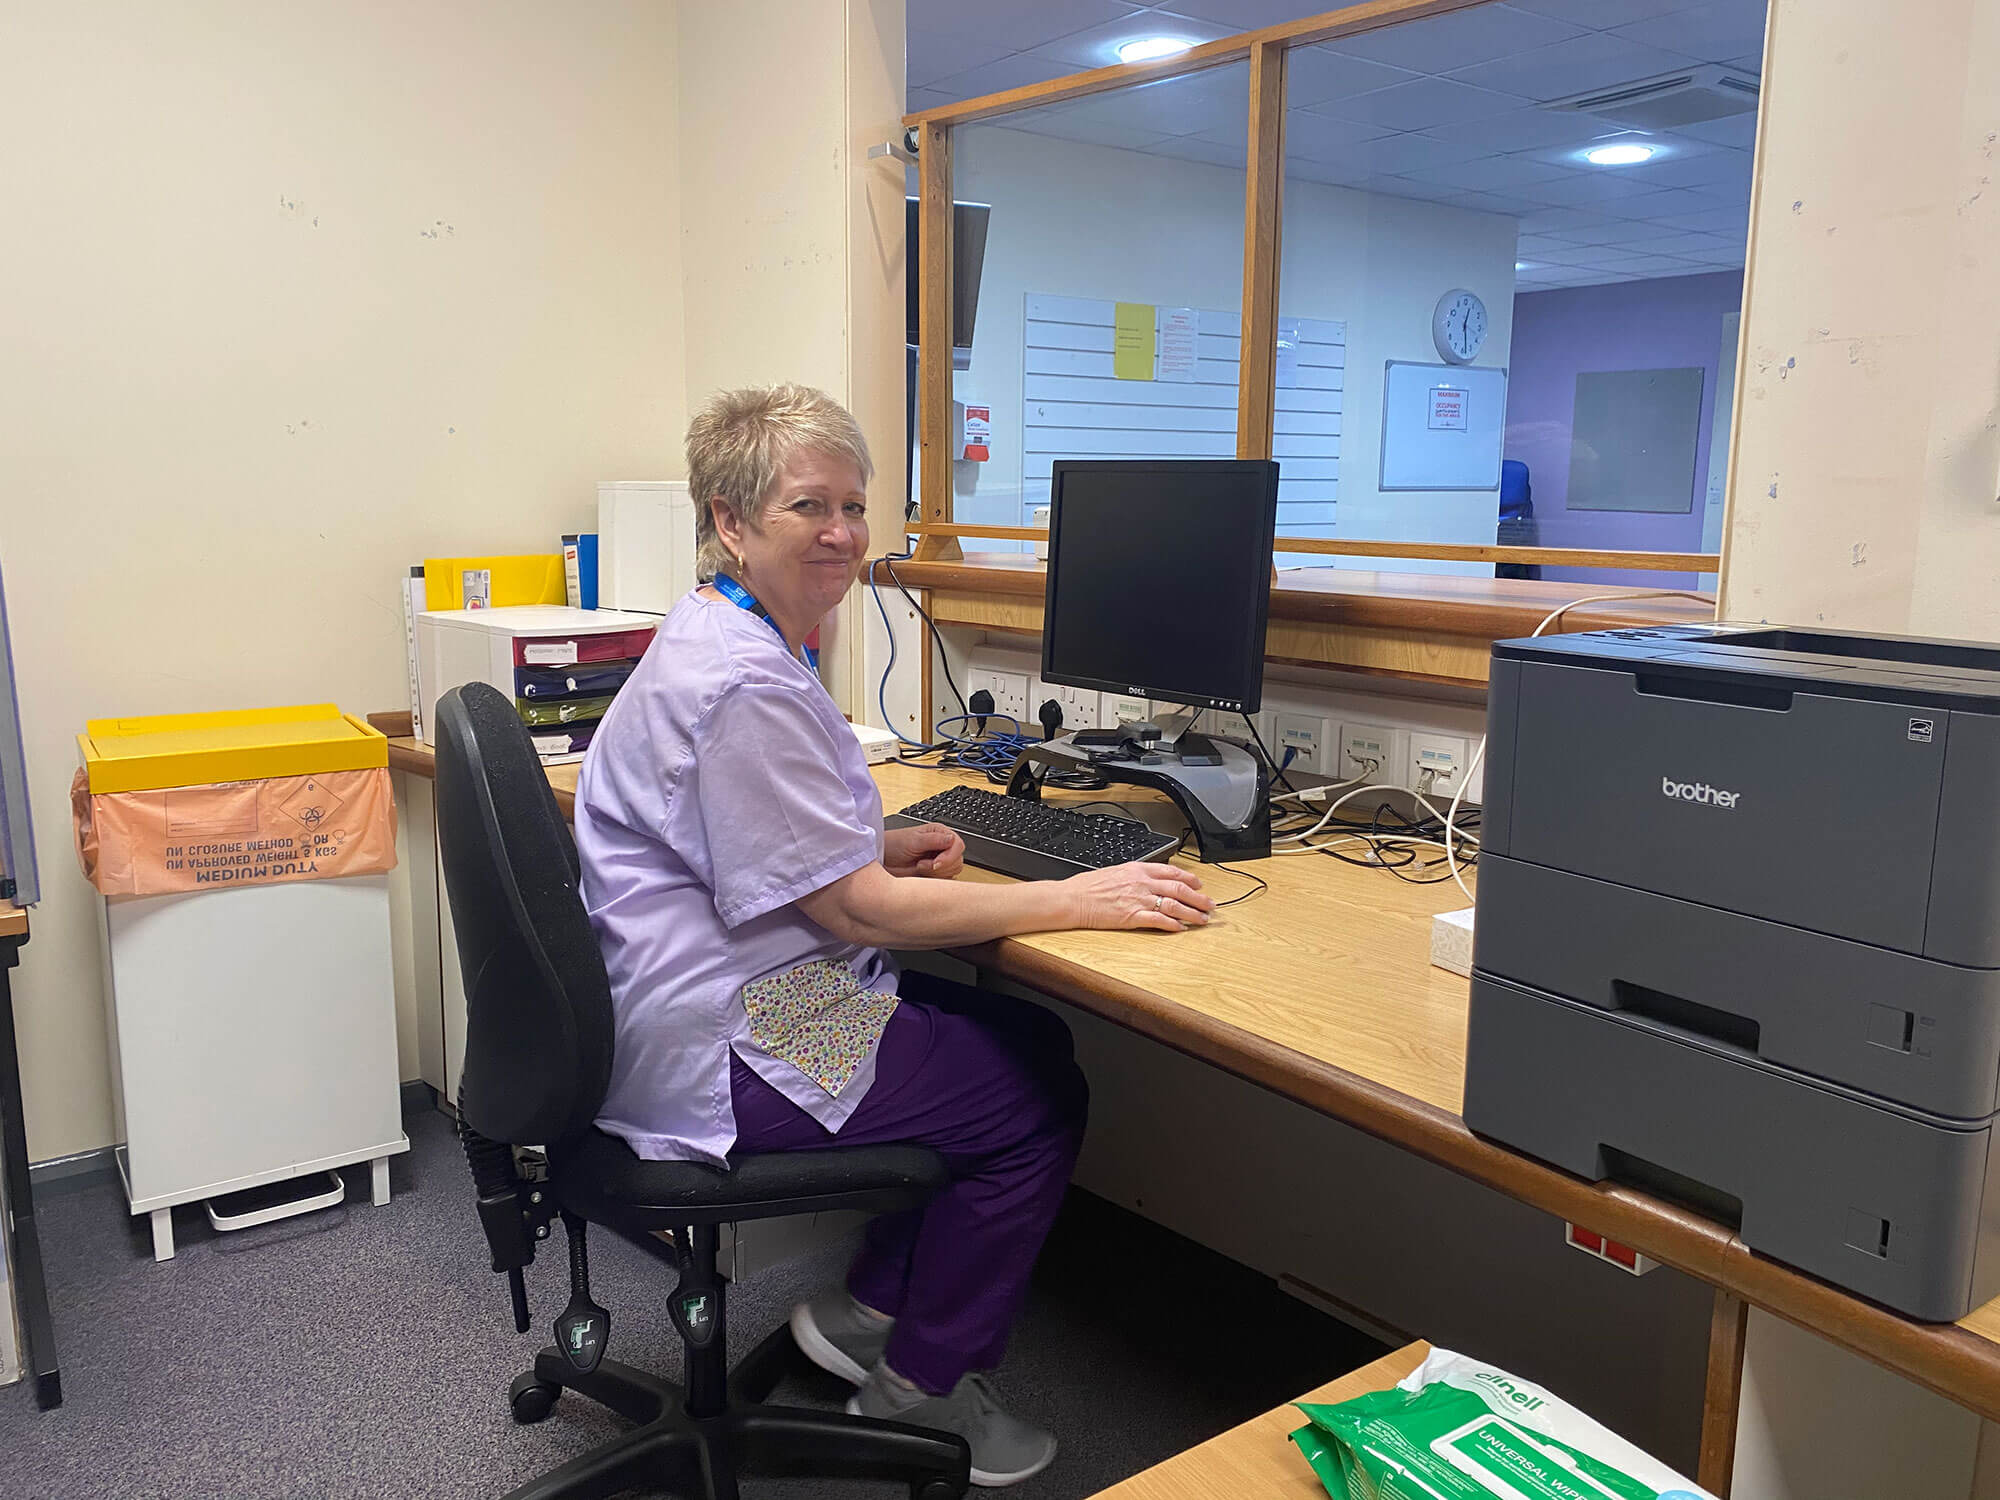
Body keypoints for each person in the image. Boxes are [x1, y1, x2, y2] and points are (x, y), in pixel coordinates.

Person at [573, 384, 1215, 1487]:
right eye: (805, 507)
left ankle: (866, 1312)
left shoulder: (719, 629)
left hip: (709, 991)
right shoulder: (740, 679)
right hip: (734, 1035)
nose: (840, 534)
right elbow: (855, 913)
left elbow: (752, 828)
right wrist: (1078, 896)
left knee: (1027, 1042)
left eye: (853, 506)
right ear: (729, 521)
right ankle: (919, 1386)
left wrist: (866, 833)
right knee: (1027, 1103)